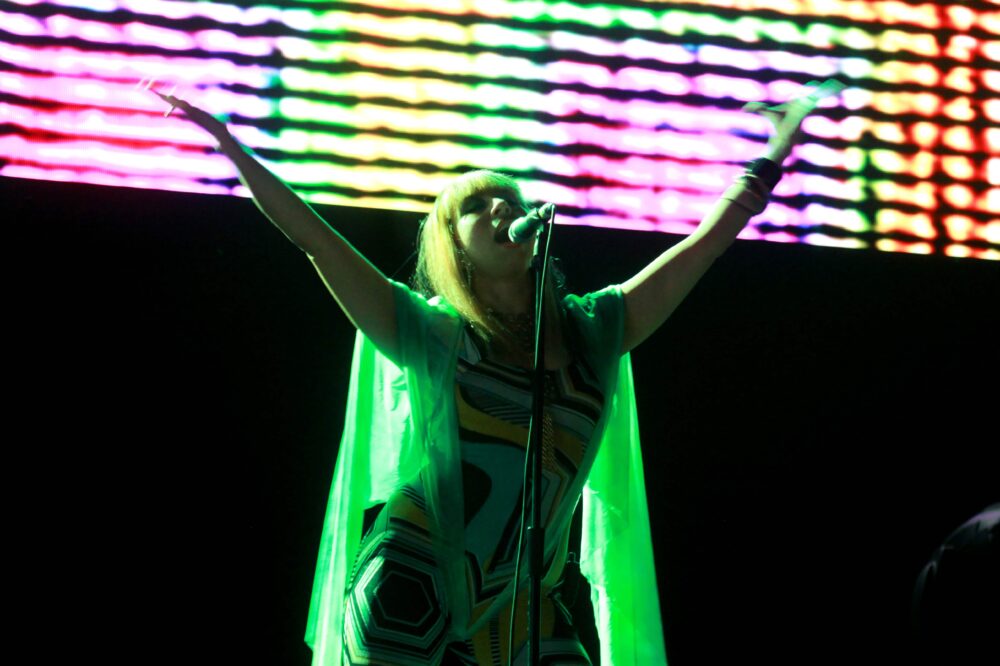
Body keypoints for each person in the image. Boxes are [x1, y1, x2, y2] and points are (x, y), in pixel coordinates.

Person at [154, 79, 840, 665]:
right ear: (454, 248)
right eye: (475, 207)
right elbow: (315, 240)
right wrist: (230, 146)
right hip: (413, 583)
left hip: (527, 597)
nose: (499, 208)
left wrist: (775, 152)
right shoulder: (433, 333)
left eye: (506, 197)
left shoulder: (596, 329)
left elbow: (703, 247)